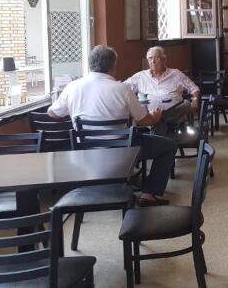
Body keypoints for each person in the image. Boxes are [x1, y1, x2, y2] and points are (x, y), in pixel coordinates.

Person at [48, 45, 177, 207]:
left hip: (86, 152)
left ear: (90, 64)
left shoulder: (73, 87)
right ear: (113, 66)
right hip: (122, 151)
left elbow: (53, 113)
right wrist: (155, 117)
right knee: (169, 146)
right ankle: (149, 194)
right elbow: (144, 121)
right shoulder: (122, 89)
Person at [124, 46, 201, 136]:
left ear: (164, 60)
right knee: (160, 121)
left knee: (186, 104)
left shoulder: (176, 74)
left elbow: (194, 89)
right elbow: (123, 88)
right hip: (148, 116)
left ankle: (157, 120)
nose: (153, 61)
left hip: (174, 117)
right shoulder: (140, 76)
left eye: (156, 58)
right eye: (150, 58)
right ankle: (158, 121)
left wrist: (195, 100)